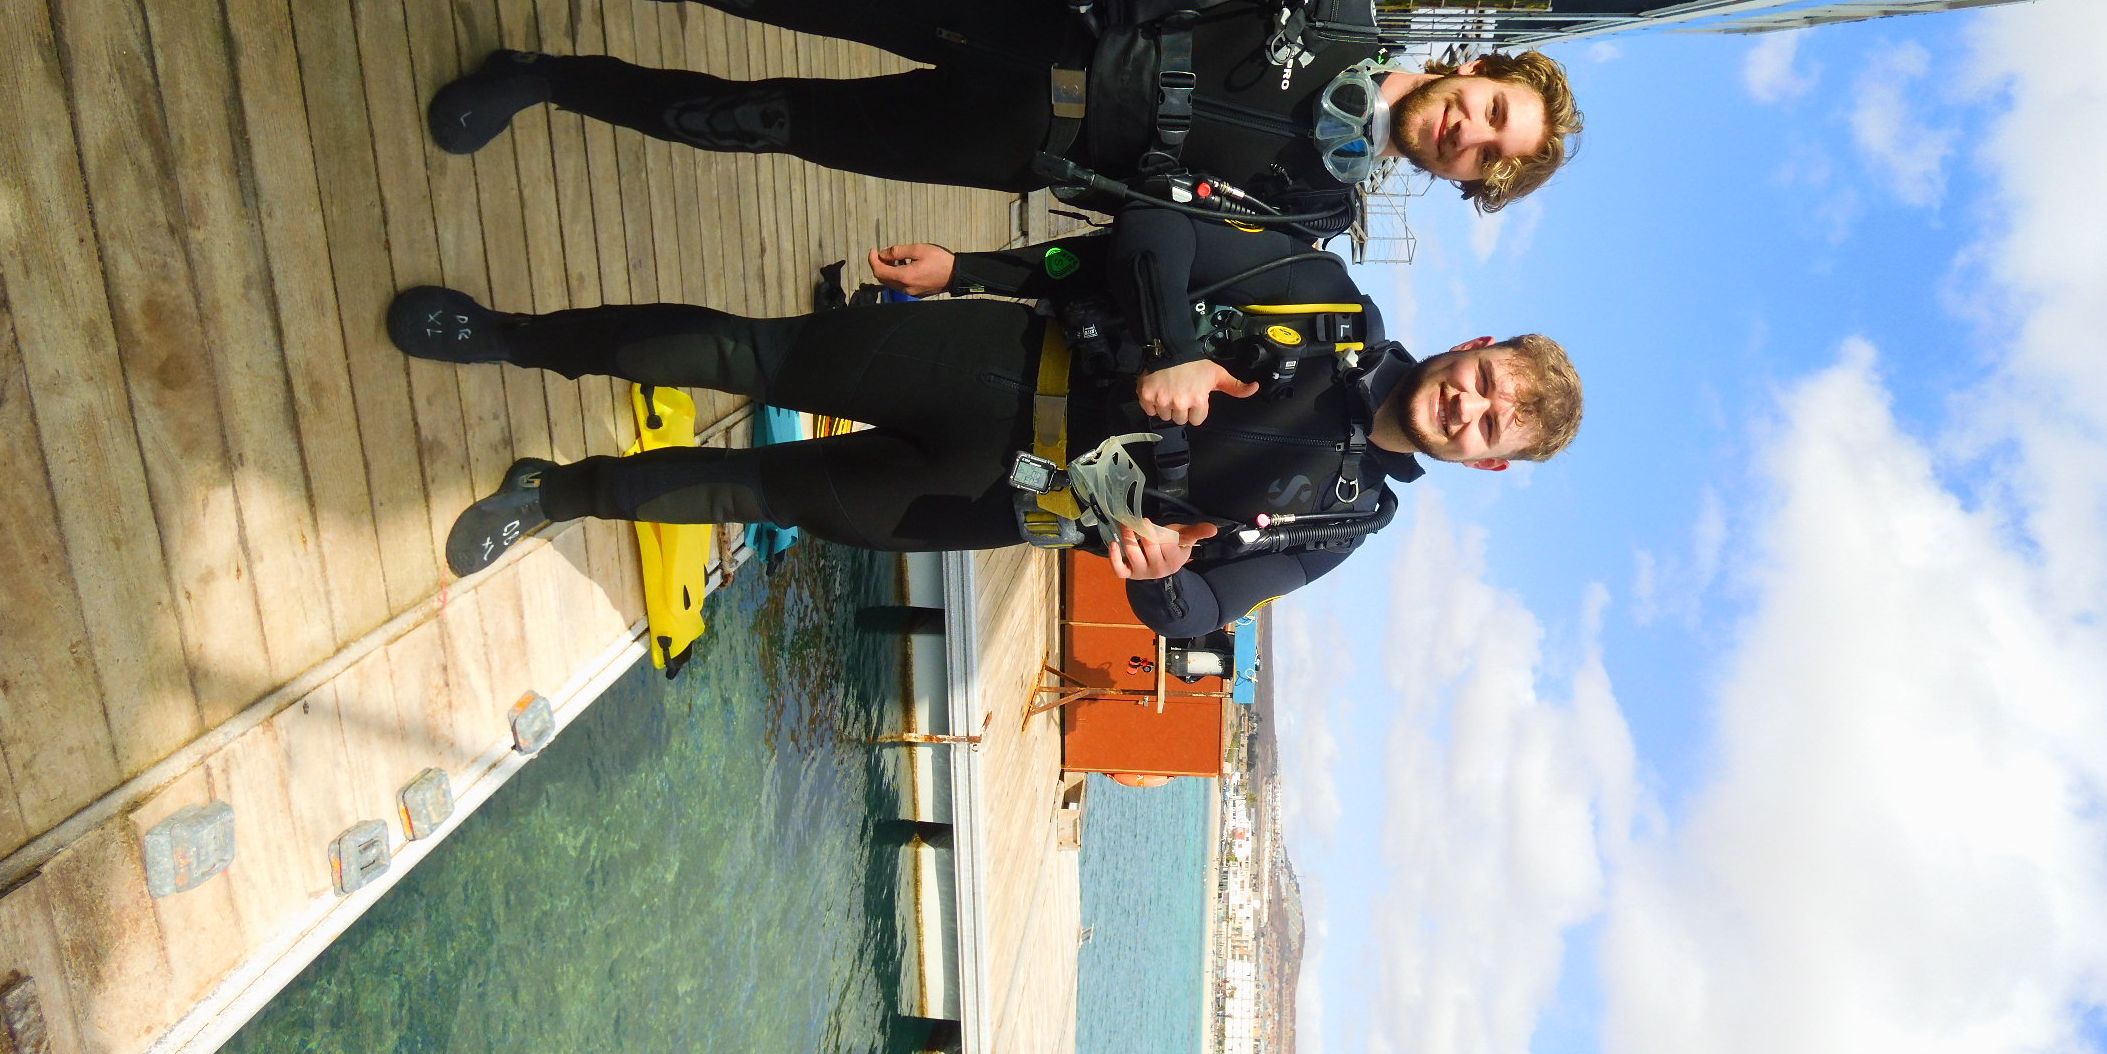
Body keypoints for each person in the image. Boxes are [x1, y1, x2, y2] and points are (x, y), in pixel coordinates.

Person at [388, 209, 1581, 634]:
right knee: (751, 353)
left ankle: (555, 493)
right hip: (995, 365)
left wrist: (1160, 573)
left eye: (1494, 428)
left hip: (1000, 502)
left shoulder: (1345, 519)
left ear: (1488, 464)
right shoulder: (1323, 299)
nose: (1471, 408)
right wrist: (1162, 346)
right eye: (1488, 383)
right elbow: (1153, 232)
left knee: (753, 494)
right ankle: (510, 335)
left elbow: (1203, 613)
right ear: (1473, 347)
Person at [379, 0, 1584, 252]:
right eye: (1489, 109)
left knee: (740, 121)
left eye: (1483, 156)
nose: (1467, 132)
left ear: (1458, 181)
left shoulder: (1310, 212)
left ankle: (544, 80)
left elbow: (1148, 253)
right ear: (1472, 69)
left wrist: (974, 278)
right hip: (1005, 7)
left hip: (995, 146)